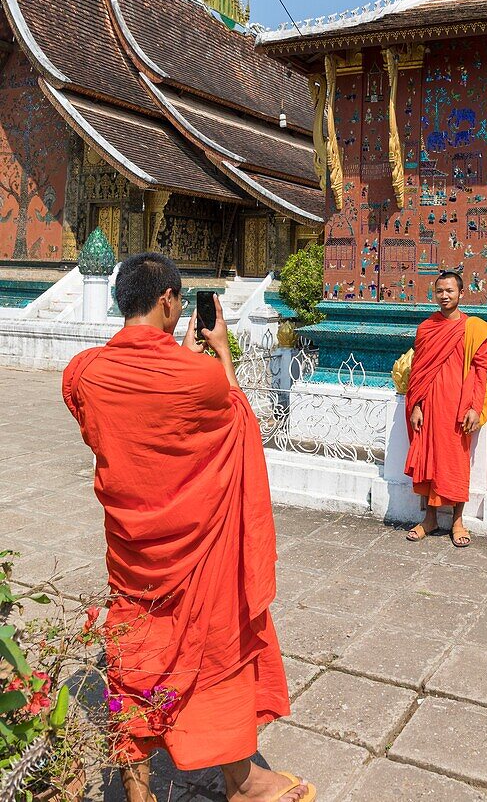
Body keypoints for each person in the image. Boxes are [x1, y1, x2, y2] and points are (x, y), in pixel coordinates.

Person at [62, 253, 315, 802]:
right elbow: (236, 417)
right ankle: (242, 783)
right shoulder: (197, 374)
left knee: (133, 658)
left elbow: (109, 429)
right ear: (169, 301)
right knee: (215, 653)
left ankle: (137, 791)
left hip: (133, 554)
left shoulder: (83, 374)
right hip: (198, 552)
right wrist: (219, 350)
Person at [404, 271, 487, 548]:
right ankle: (429, 519)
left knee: (456, 462)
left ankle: (457, 521)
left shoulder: (474, 328)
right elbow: (419, 371)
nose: (444, 296)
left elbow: (481, 372)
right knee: (428, 460)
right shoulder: (426, 328)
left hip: (458, 406)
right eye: (439, 291)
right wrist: (417, 405)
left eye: (450, 291)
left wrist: (474, 407)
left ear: (461, 294)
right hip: (430, 404)